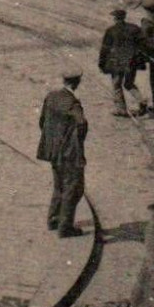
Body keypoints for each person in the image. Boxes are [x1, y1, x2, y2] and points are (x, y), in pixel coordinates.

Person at [36, 69, 89, 236]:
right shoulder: (73, 103)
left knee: (59, 185)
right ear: (78, 82)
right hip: (69, 153)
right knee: (74, 187)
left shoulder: (51, 96)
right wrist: (76, 141)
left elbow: (42, 121)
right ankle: (65, 227)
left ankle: (53, 219)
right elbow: (82, 124)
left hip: (52, 151)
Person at [97, 6, 148, 118]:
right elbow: (143, 44)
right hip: (132, 61)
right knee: (129, 84)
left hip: (117, 63)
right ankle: (142, 100)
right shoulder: (134, 28)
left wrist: (101, 63)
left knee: (117, 85)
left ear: (115, 18)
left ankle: (121, 109)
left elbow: (104, 49)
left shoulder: (110, 31)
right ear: (124, 17)